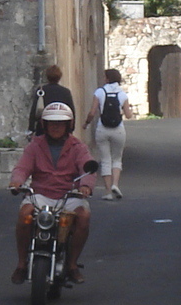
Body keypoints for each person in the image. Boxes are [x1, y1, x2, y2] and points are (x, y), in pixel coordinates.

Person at [8, 102, 95, 284]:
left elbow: (87, 168)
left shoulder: (78, 147)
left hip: (68, 196)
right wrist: (17, 181)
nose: (56, 126)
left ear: (68, 125)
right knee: (24, 214)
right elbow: (22, 167)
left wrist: (85, 185)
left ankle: (72, 264)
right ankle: (21, 263)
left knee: (84, 216)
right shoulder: (34, 146)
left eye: (60, 123)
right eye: (51, 122)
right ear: (44, 125)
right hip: (40, 194)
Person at [83, 67, 135, 199]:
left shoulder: (100, 92)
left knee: (106, 160)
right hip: (118, 129)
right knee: (117, 158)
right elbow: (128, 115)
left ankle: (107, 192)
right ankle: (115, 185)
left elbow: (92, 112)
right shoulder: (122, 94)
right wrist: (126, 111)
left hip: (102, 129)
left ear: (107, 79)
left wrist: (86, 124)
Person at [26, 65, 75, 136]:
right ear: (59, 76)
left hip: (43, 128)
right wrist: (71, 129)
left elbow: (34, 111)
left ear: (47, 76)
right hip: (61, 128)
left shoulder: (41, 90)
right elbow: (71, 112)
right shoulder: (66, 92)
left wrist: (31, 128)